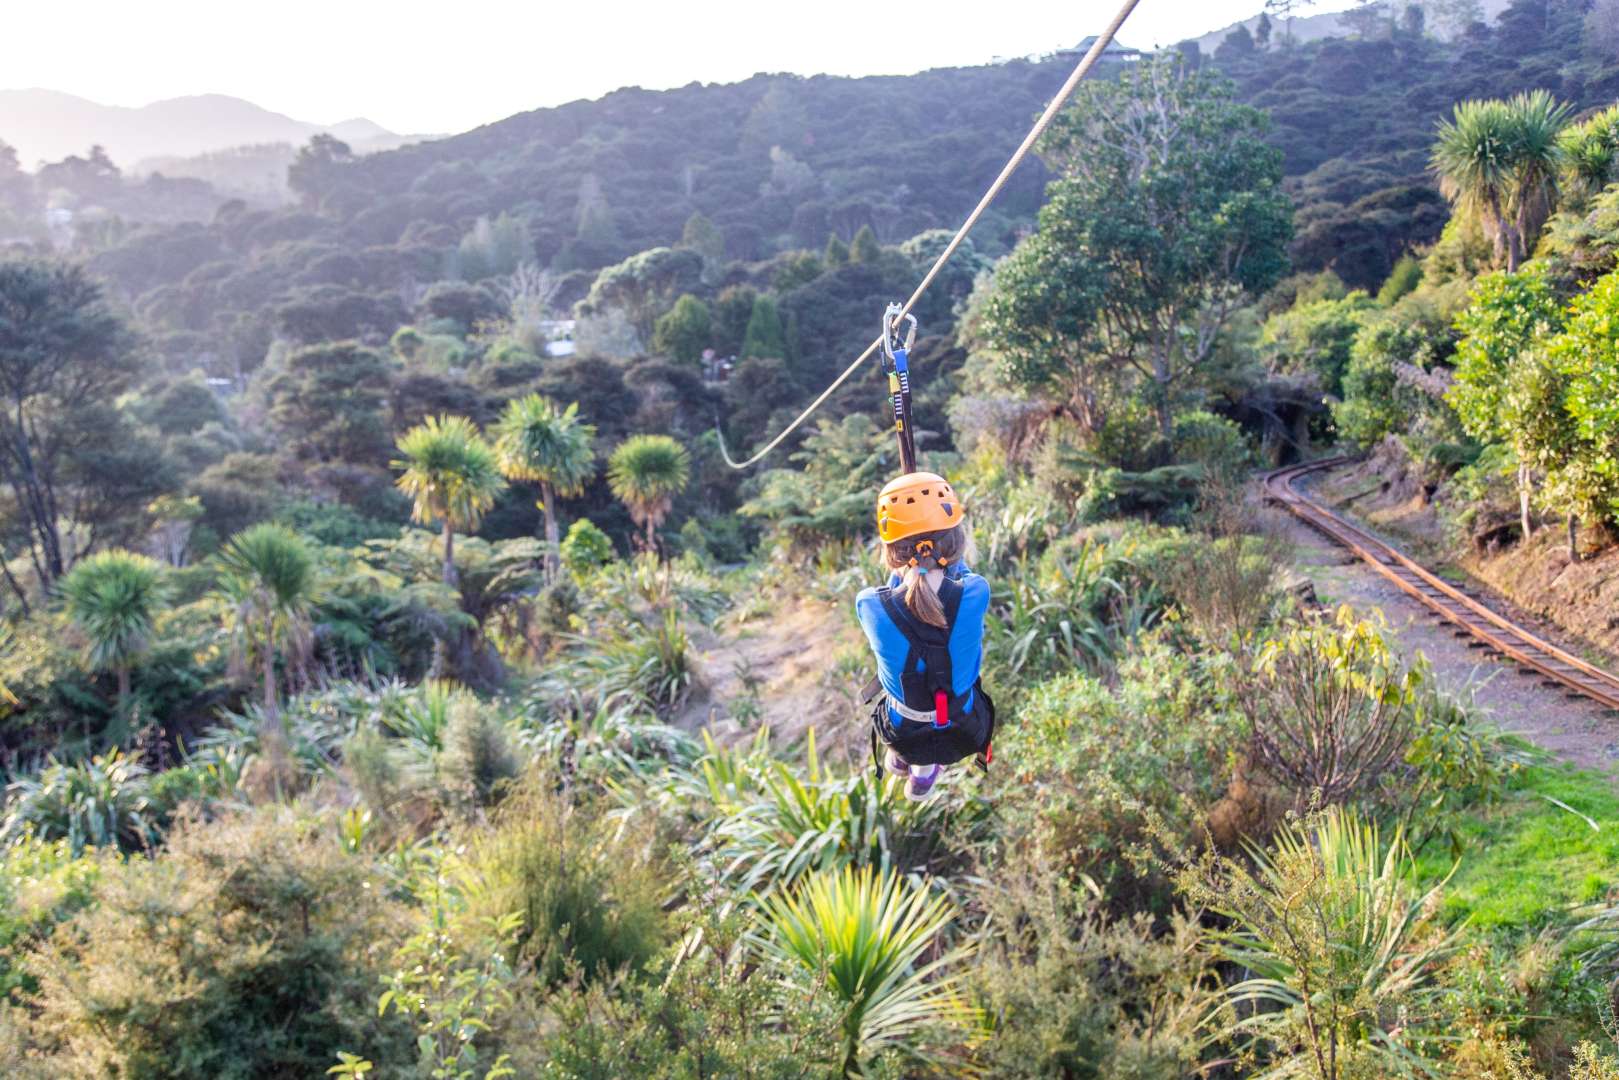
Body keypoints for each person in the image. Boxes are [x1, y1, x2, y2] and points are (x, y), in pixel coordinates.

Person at [855, 471, 994, 801]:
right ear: (956, 541)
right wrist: (932, 555)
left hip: (900, 727)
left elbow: (896, 591)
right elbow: (957, 577)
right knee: (937, 695)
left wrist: (910, 560)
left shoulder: (869, 603)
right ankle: (922, 775)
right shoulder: (976, 591)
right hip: (962, 722)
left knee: (907, 699)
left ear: (892, 553)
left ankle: (906, 761)